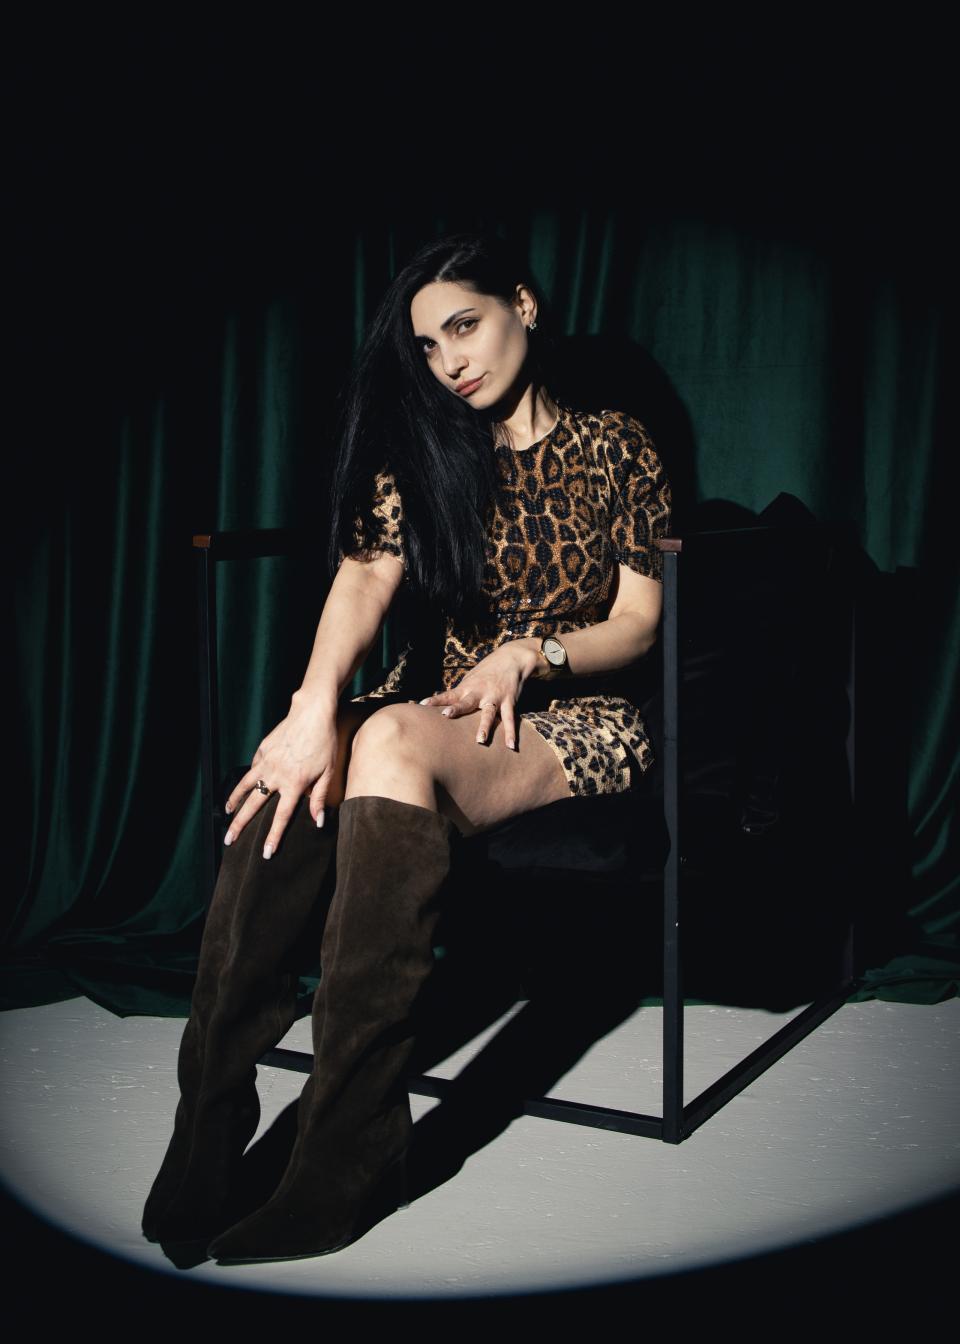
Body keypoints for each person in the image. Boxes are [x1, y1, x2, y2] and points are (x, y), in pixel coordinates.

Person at [141, 231, 672, 1263]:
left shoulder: (617, 444)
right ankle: (208, 1124)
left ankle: (346, 1148)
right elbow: (365, 580)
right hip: (435, 704)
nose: (450, 362)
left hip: (570, 714)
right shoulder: (426, 453)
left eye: (464, 326)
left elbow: (640, 622)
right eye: (428, 346)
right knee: (296, 769)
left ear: (523, 304)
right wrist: (309, 712)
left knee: (383, 735)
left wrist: (533, 652)